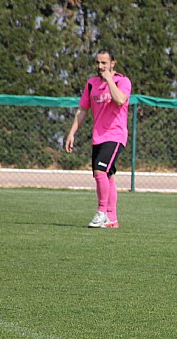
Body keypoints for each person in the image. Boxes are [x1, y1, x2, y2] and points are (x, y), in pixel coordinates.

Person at [65, 49, 132, 228]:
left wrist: (109, 79)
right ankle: (112, 219)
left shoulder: (122, 81)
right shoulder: (91, 84)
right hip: (98, 136)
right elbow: (82, 110)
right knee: (106, 175)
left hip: (115, 135)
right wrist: (72, 133)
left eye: (104, 63)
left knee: (100, 171)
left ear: (112, 63)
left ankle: (101, 212)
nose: (100, 67)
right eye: (98, 63)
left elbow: (120, 100)